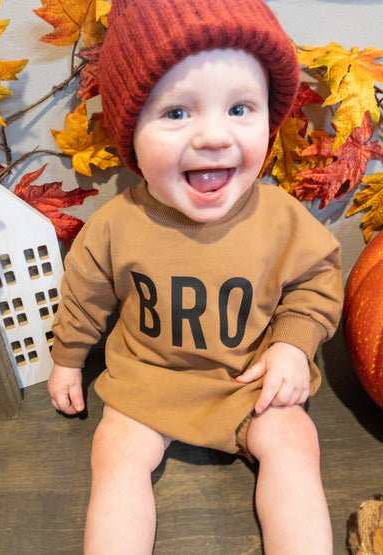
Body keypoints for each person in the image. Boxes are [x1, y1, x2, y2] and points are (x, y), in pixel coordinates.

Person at [48, 0, 344, 553]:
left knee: (296, 442)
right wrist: (67, 359)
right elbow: (84, 297)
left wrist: (293, 345)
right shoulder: (116, 226)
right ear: (130, 133)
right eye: (177, 113)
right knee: (114, 454)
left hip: (250, 379)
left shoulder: (281, 220)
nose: (213, 136)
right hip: (147, 381)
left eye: (240, 108)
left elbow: (316, 282)